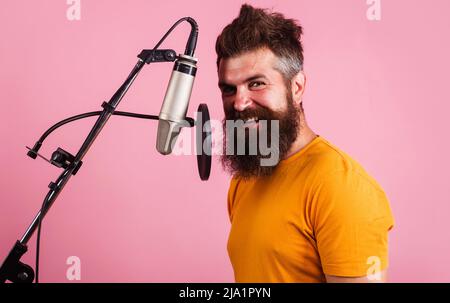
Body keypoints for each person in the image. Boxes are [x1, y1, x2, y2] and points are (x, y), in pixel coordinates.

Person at [216, 4, 395, 283]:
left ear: (296, 87)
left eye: (257, 84)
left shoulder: (343, 187)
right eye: (229, 88)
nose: (239, 103)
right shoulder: (245, 178)